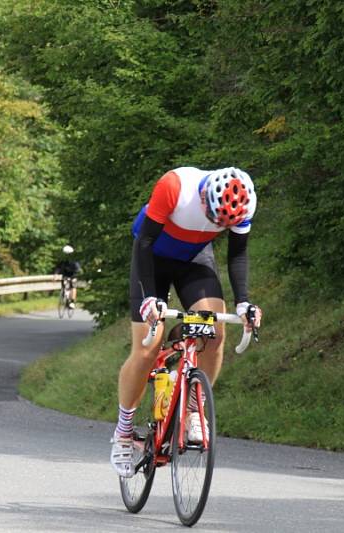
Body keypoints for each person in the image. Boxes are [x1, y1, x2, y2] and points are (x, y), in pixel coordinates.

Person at [110, 167, 264, 477]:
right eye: (214, 217)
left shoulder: (246, 201)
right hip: (152, 257)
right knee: (148, 347)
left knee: (215, 333)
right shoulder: (175, 186)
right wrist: (151, 298)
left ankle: (194, 409)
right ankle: (124, 433)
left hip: (194, 259)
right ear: (205, 199)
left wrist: (244, 302)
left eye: (223, 224)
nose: (216, 225)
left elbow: (237, 255)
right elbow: (143, 243)